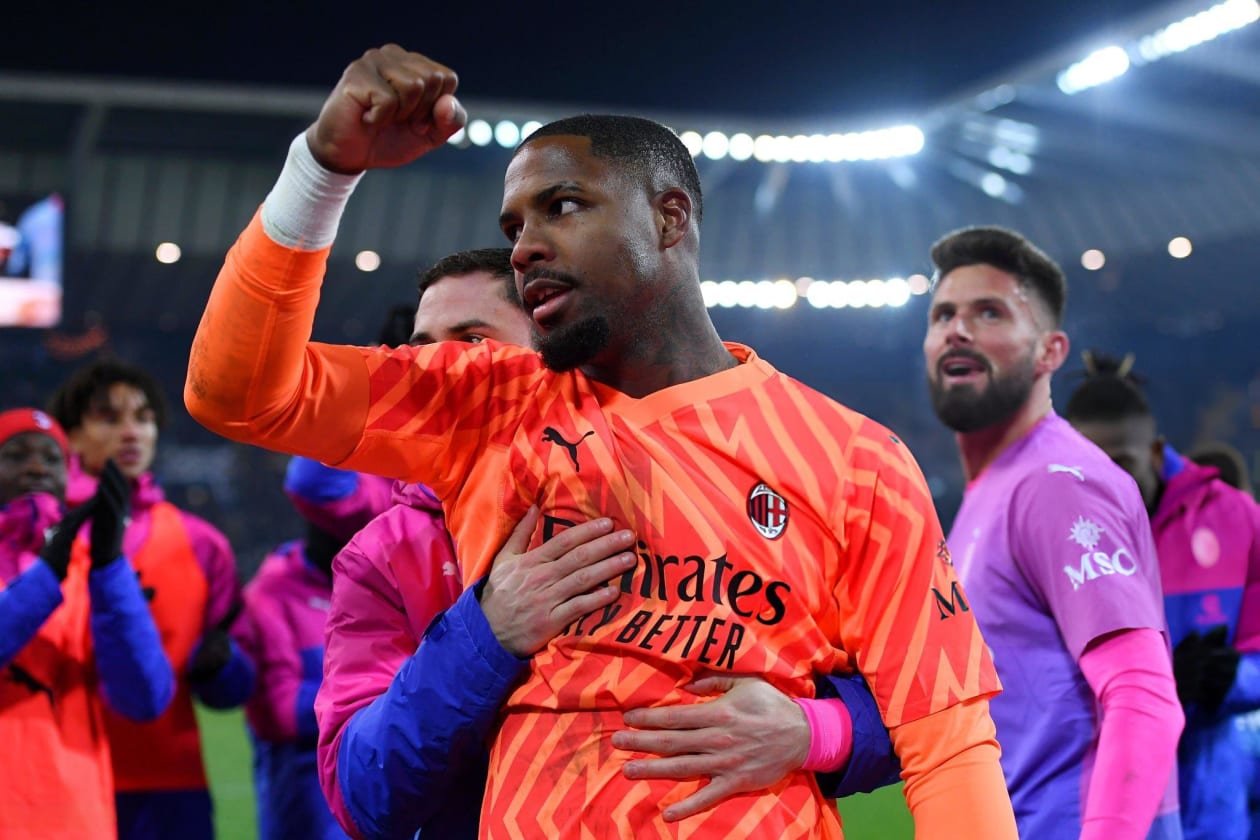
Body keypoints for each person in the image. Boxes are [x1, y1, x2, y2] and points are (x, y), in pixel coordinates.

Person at [186, 44, 1015, 838]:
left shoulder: (853, 458)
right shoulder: (487, 404)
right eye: (513, 225)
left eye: (563, 205)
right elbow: (236, 392)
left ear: (669, 217)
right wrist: (323, 168)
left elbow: (947, 742)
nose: (524, 247)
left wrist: (817, 728)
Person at [318, 249, 900, 838]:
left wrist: (813, 731)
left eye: (472, 342)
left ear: (554, 353)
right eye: (420, 348)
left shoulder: (698, 486)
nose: (436, 368)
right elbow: (362, 794)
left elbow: (920, 698)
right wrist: (485, 635)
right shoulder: (385, 556)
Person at [923, 226, 1184, 839]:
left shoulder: (1056, 484)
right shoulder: (994, 490)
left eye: (989, 312)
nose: (957, 329)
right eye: (943, 315)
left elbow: (1144, 698)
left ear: (1050, 352)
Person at [48, 359, 254, 840]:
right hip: (62, 779)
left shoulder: (201, 542)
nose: (130, 432)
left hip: (173, 786)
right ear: (70, 436)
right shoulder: (42, 539)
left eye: (143, 418)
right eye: (108, 417)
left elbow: (236, 687)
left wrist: (222, 667)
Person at [1065, 352, 1260, 840]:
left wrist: (1229, 680)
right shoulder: (1049, 536)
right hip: (1101, 807)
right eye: (1087, 467)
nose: (1105, 483)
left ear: (1155, 452)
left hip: (1210, 809)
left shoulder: (1236, 520)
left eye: (1121, 464)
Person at [0, 408, 173, 838]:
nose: (37, 467)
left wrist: (111, 567)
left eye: (51, 458)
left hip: (77, 821)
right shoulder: (58, 571)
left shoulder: (90, 571)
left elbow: (145, 697)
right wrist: (46, 576)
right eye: (16, 455)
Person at [235, 459, 365, 840]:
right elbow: (281, 712)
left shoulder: (385, 584)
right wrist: (385, 697)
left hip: (375, 801)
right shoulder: (270, 594)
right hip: (306, 812)